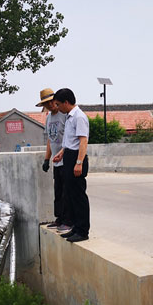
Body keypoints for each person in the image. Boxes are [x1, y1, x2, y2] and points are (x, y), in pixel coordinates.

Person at [52, 88, 90, 243]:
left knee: (78, 195)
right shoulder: (69, 117)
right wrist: (62, 152)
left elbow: (83, 141)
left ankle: (83, 230)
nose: (57, 107)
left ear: (66, 102)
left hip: (76, 157)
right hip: (69, 155)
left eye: (58, 104)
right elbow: (70, 140)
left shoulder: (79, 117)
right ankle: (75, 227)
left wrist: (79, 162)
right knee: (70, 194)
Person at [36, 88, 71, 232]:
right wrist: (46, 159)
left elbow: (70, 138)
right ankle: (60, 219)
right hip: (56, 161)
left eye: (51, 102)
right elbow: (50, 140)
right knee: (58, 191)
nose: (50, 105)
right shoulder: (49, 118)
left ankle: (68, 220)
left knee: (66, 192)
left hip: (66, 159)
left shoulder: (65, 116)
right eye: (46, 103)